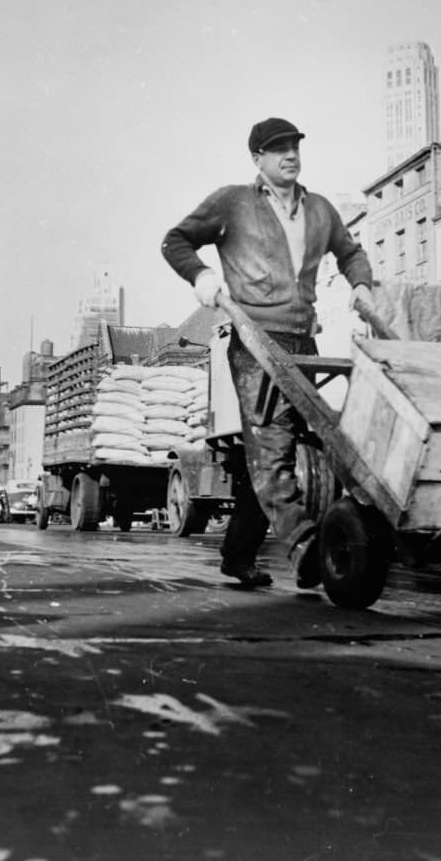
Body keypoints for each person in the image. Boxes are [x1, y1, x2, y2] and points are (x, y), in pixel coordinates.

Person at [161, 117, 379, 589]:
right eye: (278, 148)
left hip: (303, 341)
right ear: (257, 159)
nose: (290, 155)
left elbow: (351, 252)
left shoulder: (319, 210)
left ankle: (238, 554)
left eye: (295, 146)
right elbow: (174, 241)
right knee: (272, 446)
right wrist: (202, 278)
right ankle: (307, 549)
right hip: (255, 341)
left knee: (306, 444)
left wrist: (360, 284)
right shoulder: (233, 203)